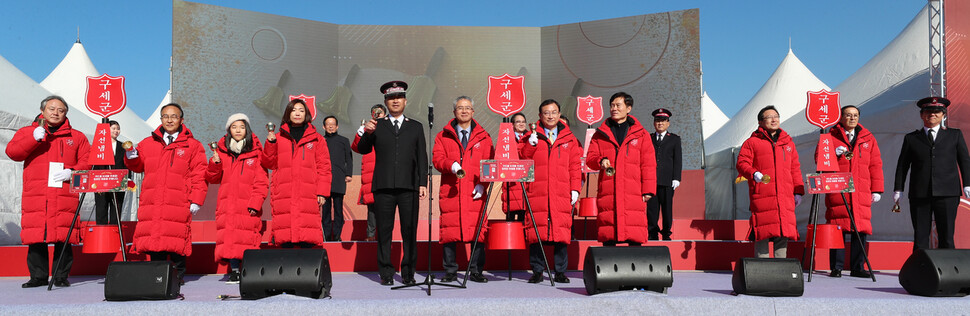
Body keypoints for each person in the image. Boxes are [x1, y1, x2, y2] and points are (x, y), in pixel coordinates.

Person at [6, 96, 90, 288]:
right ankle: (38, 277)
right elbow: (13, 153)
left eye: (61, 110)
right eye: (52, 109)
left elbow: (88, 160)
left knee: (64, 236)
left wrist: (73, 171)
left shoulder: (77, 137)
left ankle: (61, 277)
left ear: (66, 114)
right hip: (36, 193)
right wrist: (32, 138)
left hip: (64, 194)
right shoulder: (28, 132)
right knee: (36, 236)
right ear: (43, 111)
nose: (55, 113)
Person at [125, 103, 207, 284]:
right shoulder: (147, 143)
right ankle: (157, 279)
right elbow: (137, 167)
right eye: (165, 116)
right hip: (152, 201)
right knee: (155, 241)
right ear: (161, 119)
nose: (169, 120)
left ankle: (177, 278)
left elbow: (199, 174)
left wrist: (197, 199)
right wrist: (131, 157)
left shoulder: (192, 146)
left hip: (178, 201)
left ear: (181, 120)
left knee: (176, 239)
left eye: (174, 116)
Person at [357, 80, 429, 286]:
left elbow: (421, 157)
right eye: (391, 98)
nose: (395, 101)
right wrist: (366, 132)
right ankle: (386, 273)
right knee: (384, 232)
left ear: (405, 101)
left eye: (398, 97)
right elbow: (362, 149)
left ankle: (408, 273)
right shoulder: (377, 125)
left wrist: (422, 182)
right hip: (384, 187)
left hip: (409, 187)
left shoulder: (415, 126)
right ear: (385, 102)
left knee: (409, 231)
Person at [894, 97, 970, 250]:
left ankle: (948, 270)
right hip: (920, 193)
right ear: (922, 115)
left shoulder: (954, 135)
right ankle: (920, 270)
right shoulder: (911, 138)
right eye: (928, 112)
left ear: (943, 115)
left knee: (947, 236)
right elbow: (902, 165)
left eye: (937, 112)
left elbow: (964, 161)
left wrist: (968, 184)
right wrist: (898, 189)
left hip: (948, 192)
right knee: (920, 237)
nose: (932, 115)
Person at [432, 96, 493, 283]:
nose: (464, 111)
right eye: (460, 108)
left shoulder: (484, 137)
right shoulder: (443, 135)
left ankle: (476, 271)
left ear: (473, 112)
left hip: (475, 192)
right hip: (452, 190)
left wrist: (483, 185)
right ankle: (450, 271)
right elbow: (437, 159)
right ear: (454, 112)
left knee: (477, 232)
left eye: (467, 108)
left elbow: (489, 164)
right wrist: (450, 165)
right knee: (450, 232)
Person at [521, 99, 582, 284]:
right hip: (538, 191)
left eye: (554, 112)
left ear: (559, 114)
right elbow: (522, 159)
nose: (550, 115)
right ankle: (537, 271)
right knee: (536, 233)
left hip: (561, 191)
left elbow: (574, 166)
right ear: (540, 116)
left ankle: (560, 272)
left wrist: (575, 189)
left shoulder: (569, 138)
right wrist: (530, 145)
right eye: (546, 112)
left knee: (561, 233)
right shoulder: (532, 135)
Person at [585, 92, 656, 246]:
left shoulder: (641, 134)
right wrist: (600, 160)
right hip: (608, 191)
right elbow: (590, 158)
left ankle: (634, 268)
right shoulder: (600, 134)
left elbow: (648, 163)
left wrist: (648, 189)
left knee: (634, 233)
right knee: (609, 234)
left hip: (633, 191)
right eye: (612, 105)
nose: (614, 109)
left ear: (628, 108)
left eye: (618, 105)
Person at [205, 113, 268, 284]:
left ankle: (247, 269)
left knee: (247, 237)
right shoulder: (221, 152)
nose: (238, 130)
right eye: (234, 127)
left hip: (248, 204)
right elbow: (212, 178)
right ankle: (234, 271)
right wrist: (215, 164)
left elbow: (262, 182)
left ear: (247, 129)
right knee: (231, 238)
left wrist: (256, 202)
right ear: (228, 130)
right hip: (227, 203)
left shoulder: (256, 153)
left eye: (241, 126)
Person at [262, 99, 332, 248]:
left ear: (307, 113)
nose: (297, 113)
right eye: (293, 110)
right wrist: (270, 144)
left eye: (301, 110)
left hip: (308, 192)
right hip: (283, 192)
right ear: (288, 113)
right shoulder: (278, 137)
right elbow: (269, 164)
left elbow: (324, 166)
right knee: (285, 236)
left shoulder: (317, 138)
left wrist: (322, 192)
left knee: (307, 236)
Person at [736, 105, 804, 258]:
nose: (774, 119)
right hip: (763, 195)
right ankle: (762, 268)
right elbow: (741, 163)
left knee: (783, 231)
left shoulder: (788, 143)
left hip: (785, 195)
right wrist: (754, 173)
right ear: (760, 122)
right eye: (769, 117)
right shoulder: (752, 142)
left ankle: (781, 268)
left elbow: (795, 169)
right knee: (763, 230)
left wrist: (798, 191)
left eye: (776, 116)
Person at [825, 105, 883, 278]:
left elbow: (875, 164)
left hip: (861, 190)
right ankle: (836, 267)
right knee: (838, 227)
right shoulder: (830, 136)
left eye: (855, 115)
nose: (852, 118)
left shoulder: (868, 138)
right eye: (848, 115)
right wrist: (833, 154)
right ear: (841, 117)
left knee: (861, 228)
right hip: (838, 189)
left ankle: (858, 267)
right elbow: (819, 159)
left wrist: (877, 189)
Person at [352, 104, 388, 242]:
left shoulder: (390, 129)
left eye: (380, 113)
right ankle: (371, 235)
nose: (378, 115)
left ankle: (384, 236)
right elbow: (356, 147)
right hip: (370, 175)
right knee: (372, 210)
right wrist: (361, 132)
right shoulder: (367, 130)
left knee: (386, 209)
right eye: (375, 113)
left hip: (386, 174)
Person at [647, 108, 682, 241]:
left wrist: (676, 178)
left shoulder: (674, 139)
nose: (660, 123)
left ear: (668, 123)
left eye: (663, 121)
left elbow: (678, 160)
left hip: (667, 180)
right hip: (651, 180)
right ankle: (652, 233)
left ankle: (666, 233)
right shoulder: (649, 138)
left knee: (667, 209)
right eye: (657, 120)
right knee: (652, 209)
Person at [322, 116, 352, 242]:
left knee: (338, 210)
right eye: (328, 124)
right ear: (324, 127)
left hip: (339, 178)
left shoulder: (344, 141)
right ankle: (327, 236)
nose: (330, 126)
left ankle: (337, 235)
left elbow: (349, 159)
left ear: (337, 126)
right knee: (326, 210)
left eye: (333, 124)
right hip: (324, 180)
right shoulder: (320, 141)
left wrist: (348, 174)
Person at [93, 120, 128, 225]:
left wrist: (127, 179)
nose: (116, 131)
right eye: (113, 128)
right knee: (101, 208)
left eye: (118, 128)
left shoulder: (123, 147)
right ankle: (101, 233)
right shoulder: (99, 146)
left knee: (116, 208)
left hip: (118, 182)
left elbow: (127, 164)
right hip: (101, 182)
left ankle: (115, 232)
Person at [503, 112, 529, 221]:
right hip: (511, 180)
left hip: (527, 180)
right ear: (512, 125)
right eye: (518, 122)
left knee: (524, 215)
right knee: (511, 214)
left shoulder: (531, 138)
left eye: (523, 122)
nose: (521, 124)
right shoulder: (506, 139)